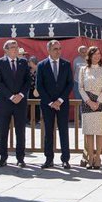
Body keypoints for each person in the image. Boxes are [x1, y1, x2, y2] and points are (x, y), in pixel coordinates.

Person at [37, 40, 74, 170]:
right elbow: (39, 86)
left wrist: (60, 100)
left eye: (59, 48)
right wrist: (51, 102)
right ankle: (49, 159)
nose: (58, 51)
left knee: (63, 131)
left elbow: (70, 84)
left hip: (62, 103)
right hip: (47, 104)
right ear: (48, 50)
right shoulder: (41, 65)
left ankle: (65, 159)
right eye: (55, 49)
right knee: (48, 132)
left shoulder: (66, 64)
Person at [0, 40, 31, 167]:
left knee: (20, 131)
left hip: (20, 102)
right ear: (6, 50)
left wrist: (20, 95)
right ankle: (3, 158)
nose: (15, 49)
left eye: (16, 47)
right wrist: (10, 96)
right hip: (5, 102)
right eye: (12, 47)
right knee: (3, 131)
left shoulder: (23, 62)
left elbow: (28, 81)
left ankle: (20, 158)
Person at [78, 46, 102, 170]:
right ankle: (90, 158)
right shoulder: (83, 69)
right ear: (89, 56)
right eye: (94, 54)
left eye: (99, 53)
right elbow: (80, 87)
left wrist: (98, 102)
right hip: (87, 102)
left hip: (100, 102)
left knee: (99, 132)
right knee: (89, 132)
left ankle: (98, 158)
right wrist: (89, 102)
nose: (97, 56)